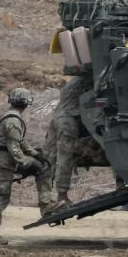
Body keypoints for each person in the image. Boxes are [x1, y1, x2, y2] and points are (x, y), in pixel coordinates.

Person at [0, 88, 55, 245]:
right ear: (25, 103)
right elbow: (14, 147)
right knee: (1, 197)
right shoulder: (14, 121)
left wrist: (35, 155)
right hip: (5, 163)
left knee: (42, 166)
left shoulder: (10, 116)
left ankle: (46, 205)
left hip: (5, 161)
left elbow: (20, 142)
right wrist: (24, 163)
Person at [43, 76, 95, 208]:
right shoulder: (88, 79)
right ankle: (62, 196)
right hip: (69, 119)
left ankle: (45, 198)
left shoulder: (75, 79)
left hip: (58, 117)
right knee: (65, 157)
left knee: (50, 157)